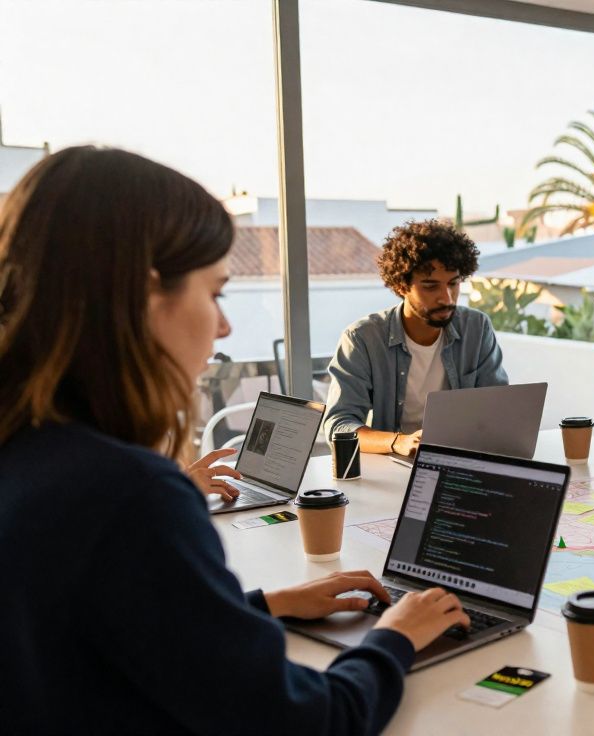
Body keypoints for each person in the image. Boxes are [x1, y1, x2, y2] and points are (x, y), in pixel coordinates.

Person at [0, 147, 469, 733]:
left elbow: (99, 626)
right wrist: (394, 637)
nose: (222, 327)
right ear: (143, 295)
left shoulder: (28, 453)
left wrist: (258, 608)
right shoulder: (131, 497)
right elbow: (315, 722)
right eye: (216, 292)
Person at [324, 218, 507, 456]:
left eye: (453, 284)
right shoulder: (362, 338)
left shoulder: (476, 327)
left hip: (457, 460)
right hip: (391, 463)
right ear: (401, 286)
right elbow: (339, 426)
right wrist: (398, 442)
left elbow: (497, 409)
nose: (447, 298)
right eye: (430, 286)